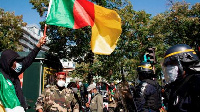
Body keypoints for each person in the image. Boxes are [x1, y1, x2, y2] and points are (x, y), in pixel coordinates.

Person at [0, 36, 46, 111]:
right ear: (8, 63)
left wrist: (38, 45)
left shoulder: (14, 73)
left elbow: (28, 60)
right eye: (15, 61)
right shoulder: (1, 77)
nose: (17, 63)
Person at [161, 44, 200, 112]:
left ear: (185, 61)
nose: (168, 68)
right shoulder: (176, 86)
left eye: (171, 63)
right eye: (166, 65)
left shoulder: (196, 82)